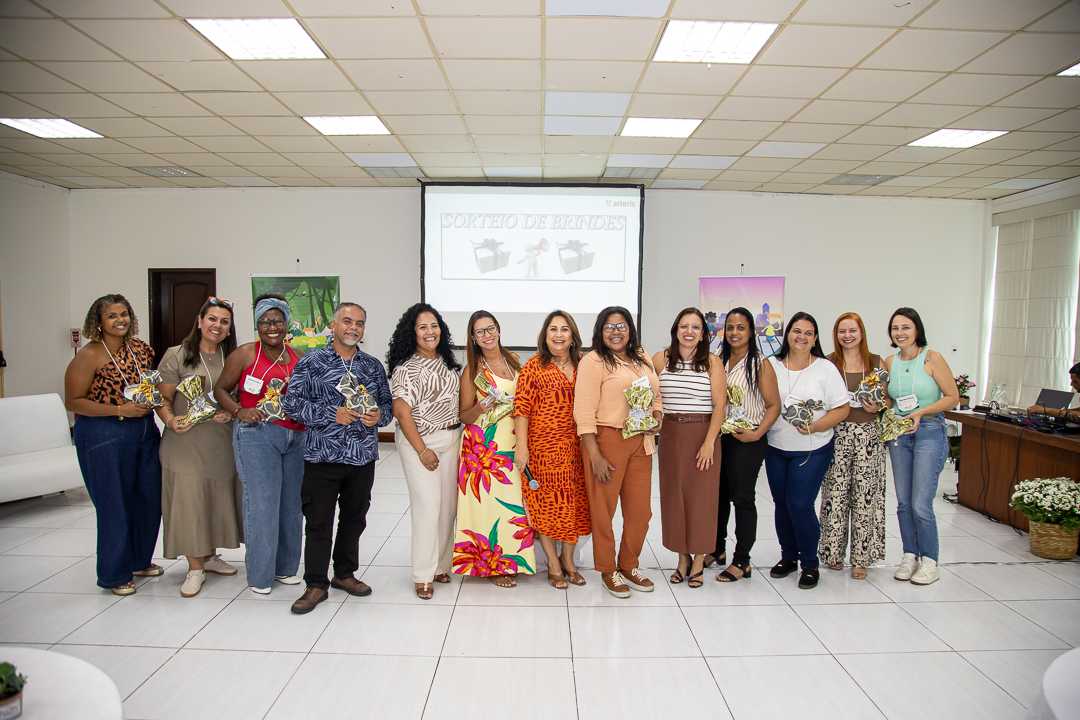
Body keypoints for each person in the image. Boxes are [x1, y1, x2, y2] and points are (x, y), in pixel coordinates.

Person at [282, 303, 392, 614]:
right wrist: (332, 414)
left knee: (355, 518)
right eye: (347, 321)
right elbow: (291, 404)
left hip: (362, 457)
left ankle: (344, 573)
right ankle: (316, 584)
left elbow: (386, 405)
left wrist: (378, 416)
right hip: (322, 456)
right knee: (319, 522)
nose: (353, 327)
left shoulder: (372, 366)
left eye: (359, 323)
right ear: (333, 325)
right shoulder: (312, 362)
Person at [65, 294, 163, 596]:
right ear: (98, 322)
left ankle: (139, 560)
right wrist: (120, 409)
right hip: (103, 434)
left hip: (143, 430)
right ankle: (114, 574)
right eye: (112, 316)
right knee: (114, 505)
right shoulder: (89, 355)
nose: (120, 320)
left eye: (124, 314)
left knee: (148, 499)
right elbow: (74, 401)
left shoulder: (141, 349)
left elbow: (150, 384)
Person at [214, 294, 305, 595]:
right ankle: (260, 575)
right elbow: (220, 389)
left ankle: (286, 568)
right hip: (257, 435)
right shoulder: (244, 354)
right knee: (263, 504)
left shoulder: (298, 357)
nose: (272, 327)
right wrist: (238, 410)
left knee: (291, 506)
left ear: (287, 323)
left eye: (277, 321)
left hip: (296, 438)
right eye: (265, 322)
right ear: (257, 325)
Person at [155, 297, 242, 598]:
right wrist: (170, 420)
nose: (217, 325)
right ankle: (194, 567)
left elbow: (239, 397)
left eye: (224, 321)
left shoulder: (232, 357)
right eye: (212, 319)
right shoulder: (176, 356)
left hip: (221, 442)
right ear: (200, 321)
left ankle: (210, 556)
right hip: (185, 442)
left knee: (216, 499)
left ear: (229, 329)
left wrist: (231, 411)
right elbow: (162, 398)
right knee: (190, 501)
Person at [574, 306, 662, 598]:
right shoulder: (593, 361)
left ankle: (629, 564)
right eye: (609, 326)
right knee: (604, 511)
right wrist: (594, 454)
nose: (615, 331)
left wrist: (657, 415)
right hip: (607, 440)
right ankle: (607, 568)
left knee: (641, 512)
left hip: (642, 440)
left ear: (630, 329)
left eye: (621, 325)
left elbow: (656, 395)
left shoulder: (642, 356)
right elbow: (583, 411)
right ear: (600, 331)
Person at [766, 312, 850, 590]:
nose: (801, 337)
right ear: (787, 334)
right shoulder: (771, 365)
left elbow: (842, 408)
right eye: (796, 331)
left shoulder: (825, 368)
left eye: (808, 333)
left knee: (800, 504)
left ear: (815, 339)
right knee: (781, 504)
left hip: (813, 448)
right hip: (776, 447)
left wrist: (815, 426)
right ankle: (788, 557)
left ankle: (810, 563)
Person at [454, 310, 536, 587]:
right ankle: (494, 567)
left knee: (512, 505)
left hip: (512, 442)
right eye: (480, 332)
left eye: (490, 329)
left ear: (499, 330)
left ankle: (514, 560)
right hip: (483, 450)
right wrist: (481, 406)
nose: (487, 335)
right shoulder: (472, 370)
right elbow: (464, 416)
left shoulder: (514, 361)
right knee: (488, 507)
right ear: (473, 338)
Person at [388, 303, 462, 600]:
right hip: (420, 442)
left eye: (434, 326)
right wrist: (422, 450)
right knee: (428, 507)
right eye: (423, 327)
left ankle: (441, 565)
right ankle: (422, 574)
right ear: (412, 332)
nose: (430, 332)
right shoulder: (406, 368)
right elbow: (401, 411)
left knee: (447, 508)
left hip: (452, 438)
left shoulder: (447, 361)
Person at [513, 310, 591, 590]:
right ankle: (553, 565)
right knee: (545, 507)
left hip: (578, 449)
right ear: (545, 336)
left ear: (573, 336)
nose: (558, 335)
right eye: (553, 329)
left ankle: (568, 560)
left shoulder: (585, 365)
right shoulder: (533, 367)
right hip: (542, 450)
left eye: (564, 329)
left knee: (575, 506)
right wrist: (522, 448)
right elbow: (521, 409)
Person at [885, 307, 959, 586]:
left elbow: (952, 397)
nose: (900, 332)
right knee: (904, 502)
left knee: (920, 503)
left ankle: (929, 560)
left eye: (906, 327)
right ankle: (909, 555)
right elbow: (890, 400)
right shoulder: (890, 362)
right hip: (900, 433)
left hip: (928, 430)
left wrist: (921, 412)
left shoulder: (932, 358)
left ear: (917, 329)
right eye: (895, 328)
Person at [652, 308, 726, 589]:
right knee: (674, 498)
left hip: (702, 434)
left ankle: (698, 559)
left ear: (703, 334)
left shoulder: (712, 363)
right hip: (671, 434)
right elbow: (650, 396)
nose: (689, 332)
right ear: (675, 329)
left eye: (695, 327)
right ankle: (682, 558)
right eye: (684, 326)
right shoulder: (661, 359)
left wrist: (709, 443)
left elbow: (720, 406)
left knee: (702, 500)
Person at [712, 307, 780, 583]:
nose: (734, 332)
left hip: (747, 440)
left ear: (751, 331)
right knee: (718, 497)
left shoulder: (759, 364)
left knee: (742, 498)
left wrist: (756, 434)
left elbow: (774, 405)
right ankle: (717, 550)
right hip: (720, 438)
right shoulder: (718, 360)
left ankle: (742, 560)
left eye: (740, 327)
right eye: (730, 327)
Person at [818, 312, 888, 581]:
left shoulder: (876, 363)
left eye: (852, 330)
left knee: (865, 496)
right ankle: (832, 553)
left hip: (869, 435)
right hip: (837, 434)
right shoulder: (828, 363)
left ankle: (861, 558)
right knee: (834, 494)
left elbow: (889, 400)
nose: (847, 336)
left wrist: (878, 405)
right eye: (842, 331)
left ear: (861, 332)